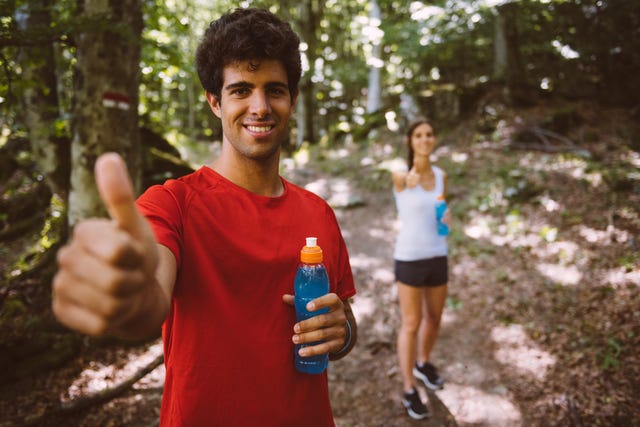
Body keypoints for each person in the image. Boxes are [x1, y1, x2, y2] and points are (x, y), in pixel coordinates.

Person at [52, 8, 357, 426]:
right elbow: (150, 297)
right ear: (214, 101)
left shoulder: (317, 213)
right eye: (241, 90)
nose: (260, 106)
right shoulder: (171, 204)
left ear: (293, 98)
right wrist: (127, 293)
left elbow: (340, 321)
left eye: (275, 90)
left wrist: (343, 332)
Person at [391, 118, 449, 420]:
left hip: (438, 254)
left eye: (429, 134)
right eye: (418, 135)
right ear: (410, 141)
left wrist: (446, 219)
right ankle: (410, 388)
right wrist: (412, 174)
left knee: (435, 318)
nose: (425, 139)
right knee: (411, 323)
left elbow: (439, 211)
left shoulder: (441, 175)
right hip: (409, 258)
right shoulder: (401, 176)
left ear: (434, 139)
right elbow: (407, 181)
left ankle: (423, 363)